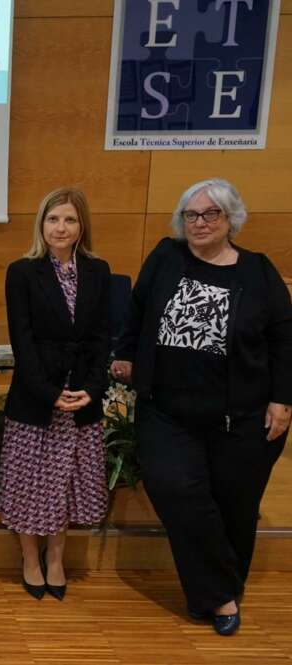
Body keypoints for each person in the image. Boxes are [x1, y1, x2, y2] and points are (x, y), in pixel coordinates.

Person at [111, 179, 292, 636]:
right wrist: (126, 353)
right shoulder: (166, 257)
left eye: (211, 214)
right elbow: (136, 312)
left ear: (231, 218)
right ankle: (220, 595)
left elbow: (285, 341)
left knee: (235, 507)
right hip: (166, 412)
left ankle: (215, 592)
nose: (200, 223)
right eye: (191, 215)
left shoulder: (258, 271)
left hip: (244, 417)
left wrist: (283, 399)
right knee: (177, 491)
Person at [0, 188, 110, 601]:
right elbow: (22, 342)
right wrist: (49, 393)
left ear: (81, 228)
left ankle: (56, 558)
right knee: (30, 486)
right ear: (41, 225)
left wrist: (92, 390)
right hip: (36, 398)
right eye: (53, 219)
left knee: (65, 487)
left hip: (81, 400)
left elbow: (101, 338)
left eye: (70, 220)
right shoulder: (22, 271)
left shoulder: (99, 271)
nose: (61, 227)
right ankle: (30, 558)